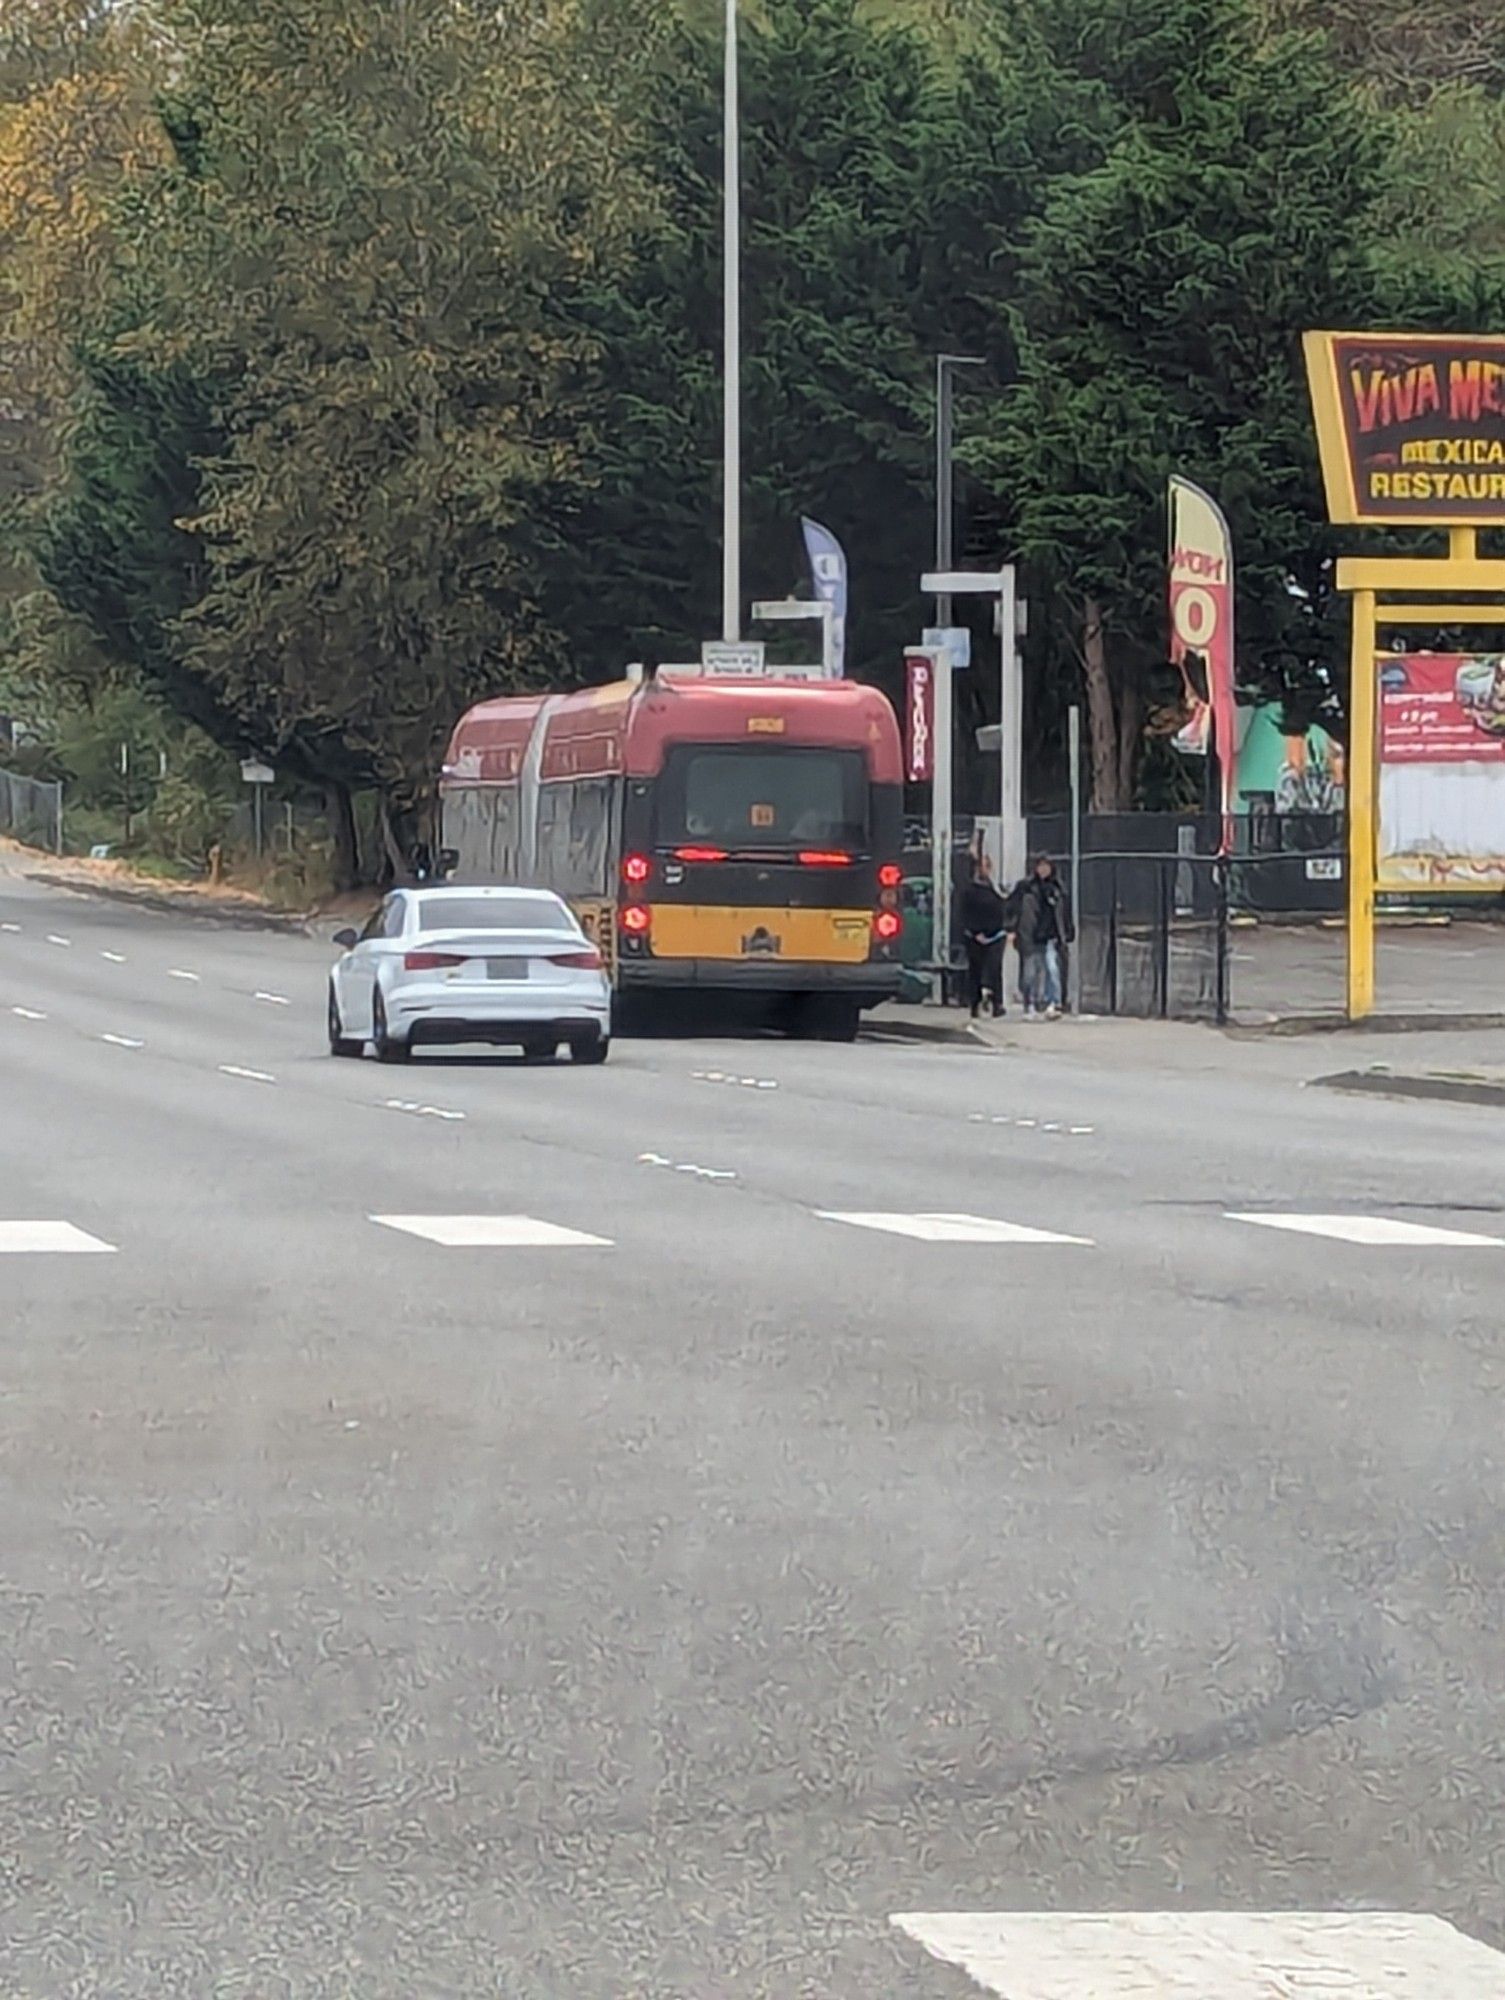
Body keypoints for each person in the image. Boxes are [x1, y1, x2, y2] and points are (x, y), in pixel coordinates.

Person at [1011, 852, 1074, 1019]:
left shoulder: (1057, 889)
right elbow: (1014, 909)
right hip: (1030, 935)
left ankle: (1052, 1002)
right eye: (1040, 866)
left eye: (1046, 866)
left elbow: (1065, 913)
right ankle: (1029, 1003)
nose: (1043, 870)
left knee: (1052, 968)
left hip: (1050, 936)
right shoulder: (1026, 888)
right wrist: (1012, 929)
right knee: (1029, 973)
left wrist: (1067, 932)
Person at [959, 852, 1010, 1019]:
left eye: (986, 866)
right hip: (975, 936)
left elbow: (1004, 909)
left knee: (994, 968)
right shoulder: (969, 890)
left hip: (996, 934)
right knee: (976, 969)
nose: (984, 870)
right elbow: (964, 914)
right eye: (981, 866)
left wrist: (1006, 929)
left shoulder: (995, 889)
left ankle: (997, 1003)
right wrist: (974, 932)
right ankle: (975, 1003)